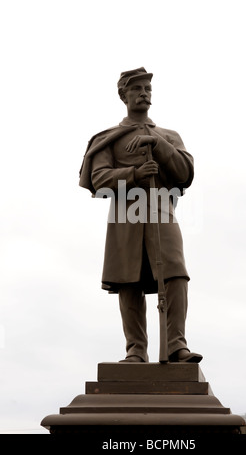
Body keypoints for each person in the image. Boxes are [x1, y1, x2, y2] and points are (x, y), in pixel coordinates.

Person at [79, 67, 202, 363]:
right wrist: (134, 173)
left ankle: (176, 345)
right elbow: (98, 179)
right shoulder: (109, 138)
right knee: (128, 278)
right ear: (124, 95)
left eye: (147, 89)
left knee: (175, 272)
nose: (144, 93)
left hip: (161, 209)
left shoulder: (169, 136)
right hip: (126, 214)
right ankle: (136, 349)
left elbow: (185, 174)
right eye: (137, 89)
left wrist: (158, 146)